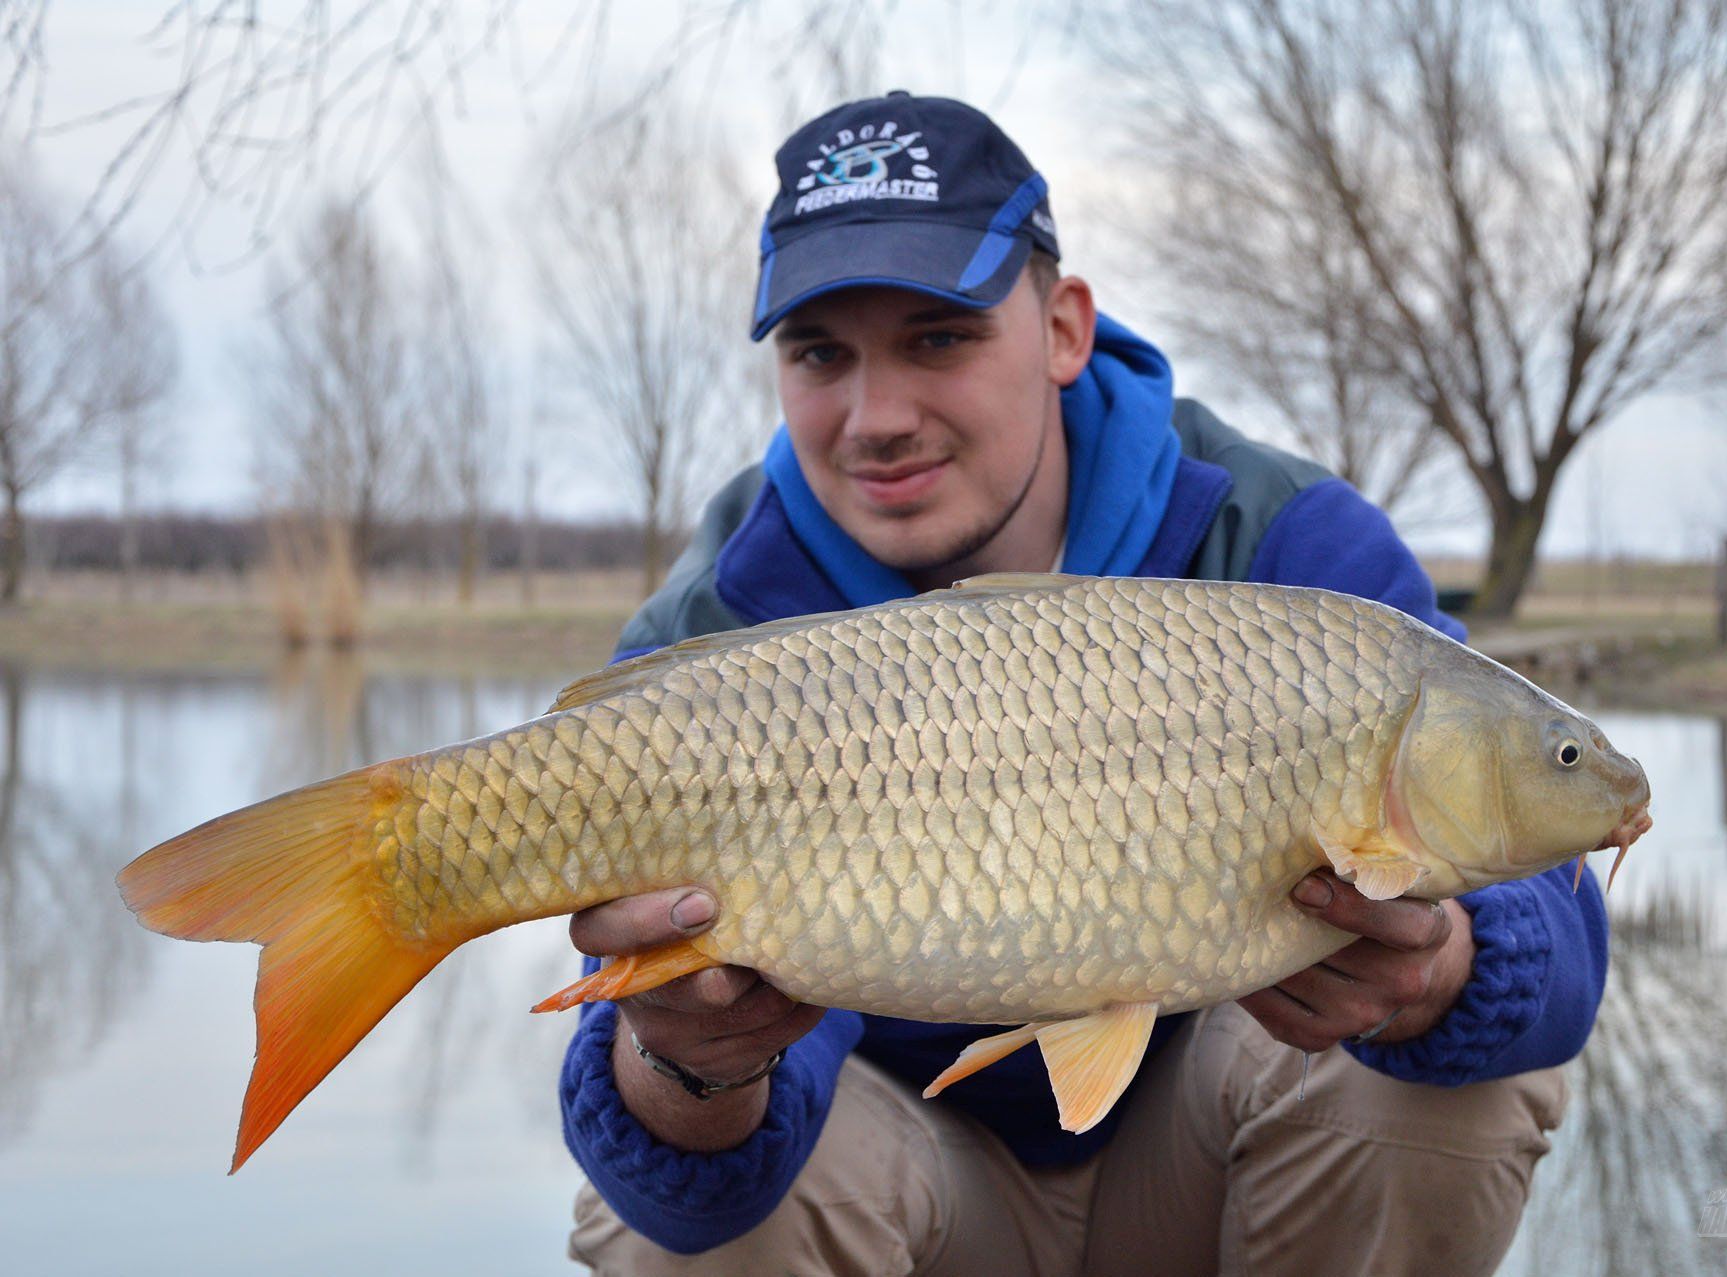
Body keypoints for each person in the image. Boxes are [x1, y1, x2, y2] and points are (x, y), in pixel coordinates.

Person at [558, 91, 1604, 1276]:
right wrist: (694, 1059)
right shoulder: (715, 636)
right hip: (920, 1197)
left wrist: (1439, 968)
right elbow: (688, 1199)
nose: (878, 416)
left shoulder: (1276, 541)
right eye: (819, 354)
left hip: (1211, 1162)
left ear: (1062, 328)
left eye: (938, 337)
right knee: (694, 1230)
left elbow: (1562, 954)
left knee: (1452, 1083)